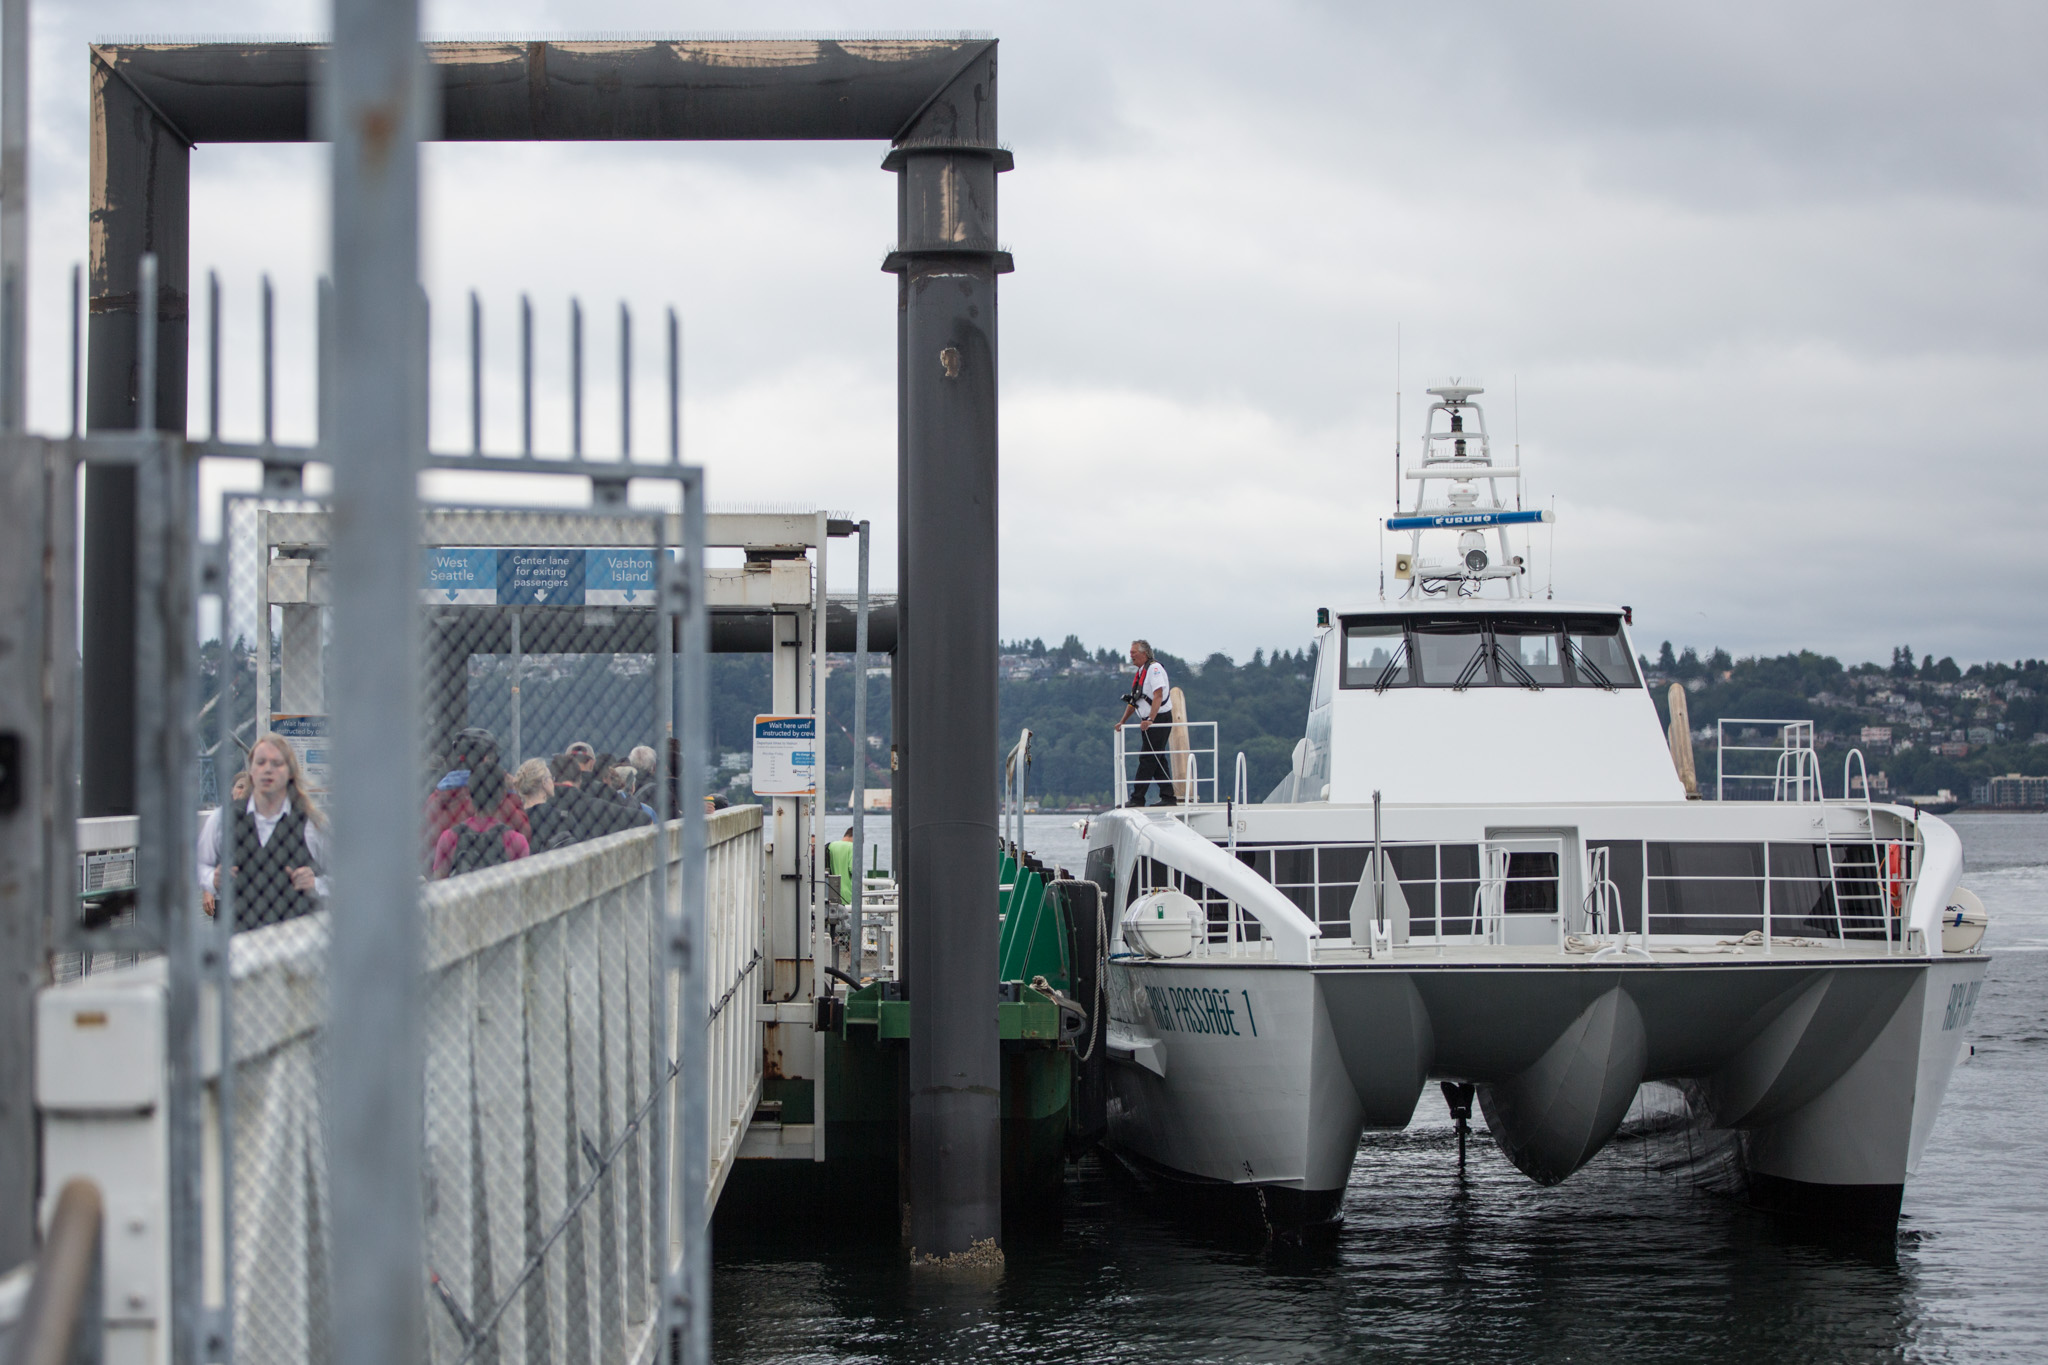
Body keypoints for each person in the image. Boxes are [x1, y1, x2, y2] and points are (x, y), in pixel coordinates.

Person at [197, 735, 328, 930]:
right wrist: (211, 880)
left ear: (290, 772)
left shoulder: (310, 823)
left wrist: (315, 883)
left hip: (292, 939)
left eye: (277, 763)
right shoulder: (221, 820)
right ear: (251, 771)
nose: (268, 769)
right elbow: (198, 864)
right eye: (261, 762)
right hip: (238, 939)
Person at [423, 728, 530, 867]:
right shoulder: (500, 797)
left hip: (449, 884)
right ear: (487, 760)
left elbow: (424, 847)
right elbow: (525, 834)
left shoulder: (436, 798)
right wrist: (507, 786)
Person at [1115, 638, 1177, 807]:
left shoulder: (1154, 669)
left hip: (1158, 720)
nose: (1131, 656)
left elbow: (1158, 695)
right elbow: (1134, 700)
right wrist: (1122, 722)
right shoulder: (1142, 671)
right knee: (1157, 758)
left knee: (1148, 758)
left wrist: (1151, 719)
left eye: (1133, 653)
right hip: (1148, 722)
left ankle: (1137, 798)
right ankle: (1168, 796)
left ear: (1144, 653)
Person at [513, 757, 578, 853]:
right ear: (544, 782)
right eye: (551, 778)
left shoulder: (514, 823)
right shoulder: (563, 818)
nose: (553, 782)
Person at [825, 827, 855, 906]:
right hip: (845, 895)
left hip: (830, 892)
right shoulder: (852, 847)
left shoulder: (831, 845)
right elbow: (854, 869)